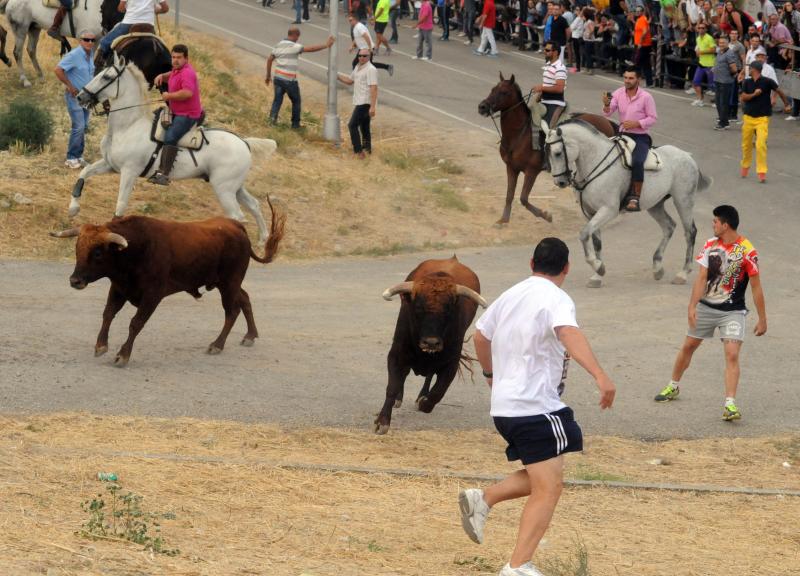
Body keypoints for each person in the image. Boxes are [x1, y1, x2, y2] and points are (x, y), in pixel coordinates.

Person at [460, 237, 615, 576]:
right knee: (549, 485)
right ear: (567, 268)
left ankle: (483, 499)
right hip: (534, 406)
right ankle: (517, 566)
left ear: (531, 264)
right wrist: (600, 375)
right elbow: (569, 334)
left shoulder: (512, 294)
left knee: (546, 472)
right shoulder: (556, 298)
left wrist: (491, 374)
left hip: (505, 407)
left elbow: (480, 336)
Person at [655, 205, 766, 421]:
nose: (712, 224)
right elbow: (701, 277)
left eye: (715, 221)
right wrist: (692, 306)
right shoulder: (709, 245)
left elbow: (756, 286)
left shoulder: (746, 250)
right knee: (688, 347)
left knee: (732, 354)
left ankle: (730, 405)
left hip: (733, 311)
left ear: (725, 225)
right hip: (706, 307)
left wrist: (763, 319)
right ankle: (673, 386)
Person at [602, 66, 657, 211]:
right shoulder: (618, 93)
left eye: (631, 78)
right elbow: (608, 113)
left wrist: (637, 123)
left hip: (640, 136)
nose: (627, 81)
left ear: (638, 80)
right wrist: (607, 104)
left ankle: (635, 196)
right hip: (623, 134)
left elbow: (653, 118)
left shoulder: (646, 97)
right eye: (625, 78)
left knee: (637, 161)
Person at [148, 44, 203, 186]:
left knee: (170, 137)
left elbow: (187, 93)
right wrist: (162, 76)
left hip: (187, 115)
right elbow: (171, 74)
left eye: (179, 58)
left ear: (186, 59)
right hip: (176, 111)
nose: (175, 60)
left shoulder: (187, 73)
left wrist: (169, 96)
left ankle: (163, 174)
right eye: (173, 57)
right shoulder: (178, 69)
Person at [266, 28, 335, 129]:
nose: (297, 39)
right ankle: (295, 125)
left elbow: (270, 59)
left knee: (277, 100)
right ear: (295, 35)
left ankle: (271, 121)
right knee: (296, 101)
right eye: (297, 37)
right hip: (289, 80)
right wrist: (326, 45)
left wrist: (268, 75)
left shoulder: (279, 44)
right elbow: (310, 49)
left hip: (278, 78)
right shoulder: (294, 46)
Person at [54, 30, 96, 169]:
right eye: (86, 39)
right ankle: (71, 158)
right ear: (80, 40)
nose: (90, 42)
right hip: (75, 96)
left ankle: (78, 156)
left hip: (87, 97)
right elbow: (58, 70)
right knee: (78, 127)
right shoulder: (74, 55)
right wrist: (70, 86)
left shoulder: (90, 55)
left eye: (92, 40)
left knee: (83, 126)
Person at [740, 59, 778, 182]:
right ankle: (745, 166)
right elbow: (743, 97)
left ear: (754, 70)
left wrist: (786, 103)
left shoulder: (767, 82)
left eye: (750, 68)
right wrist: (755, 95)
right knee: (746, 145)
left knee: (760, 145)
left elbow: (779, 91)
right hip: (748, 118)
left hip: (762, 119)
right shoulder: (746, 82)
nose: (748, 70)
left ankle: (761, 172)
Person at [337, 48, 378, 159]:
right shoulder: (358, 67)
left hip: (365, 102)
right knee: (364, 127)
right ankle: (367, 150)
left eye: (364, 56)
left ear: (369, 57)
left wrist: (373, 107)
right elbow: (350, 81)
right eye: (360, 55)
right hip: (359, 101)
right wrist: (337, 76)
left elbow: (374, 88)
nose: (361, 58)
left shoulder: (371, 69)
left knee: (352, 125)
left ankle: (358, 151)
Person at [99, 0, 169, 60]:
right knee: (160, 45)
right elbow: (165, 9)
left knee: (104, 42)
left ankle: (99, 63)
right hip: (148, 26)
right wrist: (155, 10)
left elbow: (121, 8)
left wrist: (131, 9)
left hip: (129, 24)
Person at [535, 40, 568, 161]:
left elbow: (559, 88)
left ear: (555, 52)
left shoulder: (560, 68)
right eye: (545, 49)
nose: (545, 52)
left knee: (548, 132)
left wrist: (541, 88)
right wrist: (538, 98)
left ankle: (549, 161)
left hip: (555, 104)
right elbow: (547, 84)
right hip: (544, 102)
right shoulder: (549, 65)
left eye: (547, 50)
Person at [713, 35, 740, 130]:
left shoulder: (729, 53)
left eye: (723, 43)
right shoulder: (719, 52)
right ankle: (724, 120)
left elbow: (734, 68)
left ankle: (723, 123)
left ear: (727, 43)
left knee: (723, 103)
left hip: (725, 82)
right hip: (718, 80)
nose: (721, 44)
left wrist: (730, 77)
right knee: (718, 102)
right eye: (720, 43)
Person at [691, 22, 716, 106]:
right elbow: (698, 49)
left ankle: (717, 101)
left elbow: (713, 50)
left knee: (713, 85)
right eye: (699, 28)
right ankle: (700, 99)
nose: (701, 29)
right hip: (701, 64)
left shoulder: (709, 38)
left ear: (706, 29)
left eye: (703, 28)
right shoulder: (698, 38)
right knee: (695, 82)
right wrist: (697, 52)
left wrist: (702, 52)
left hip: (710, 64)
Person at [633, 5, 653, 86]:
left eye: (639, 11)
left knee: (637, 63)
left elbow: (645, 31)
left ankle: (635, 82)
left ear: (642, 12)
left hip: (643, 45)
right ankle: (649, 82)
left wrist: (640, 42)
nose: (637, 12)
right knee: (645, 64)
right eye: (636, 11)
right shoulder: (641, 19)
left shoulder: (642, 19)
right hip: (643, 44)